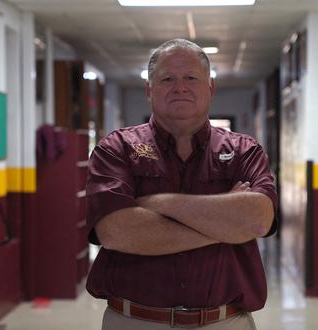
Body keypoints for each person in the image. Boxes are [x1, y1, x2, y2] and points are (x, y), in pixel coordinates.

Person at [85, 38, 277, 330]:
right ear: (149, 90)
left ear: (210, 89)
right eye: (167, 78)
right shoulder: (117, 148)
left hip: (224, 321)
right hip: (135, 320)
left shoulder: (244, 151)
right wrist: (228, 227)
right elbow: (116, 232)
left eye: (191, 77)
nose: (180, 86)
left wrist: (159, 203)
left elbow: (259, 219)